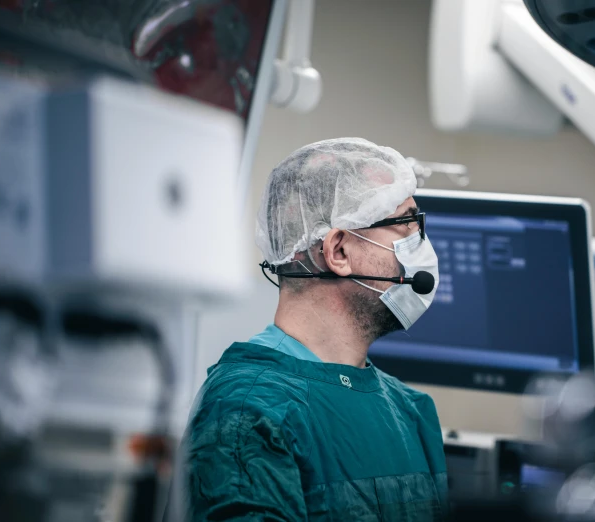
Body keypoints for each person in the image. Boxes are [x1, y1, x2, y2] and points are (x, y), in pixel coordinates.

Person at [178, 138, 447, 521]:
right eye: (405, 223)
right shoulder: (246, 412)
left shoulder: (413, 412)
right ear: (338, 252)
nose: (422, 246)